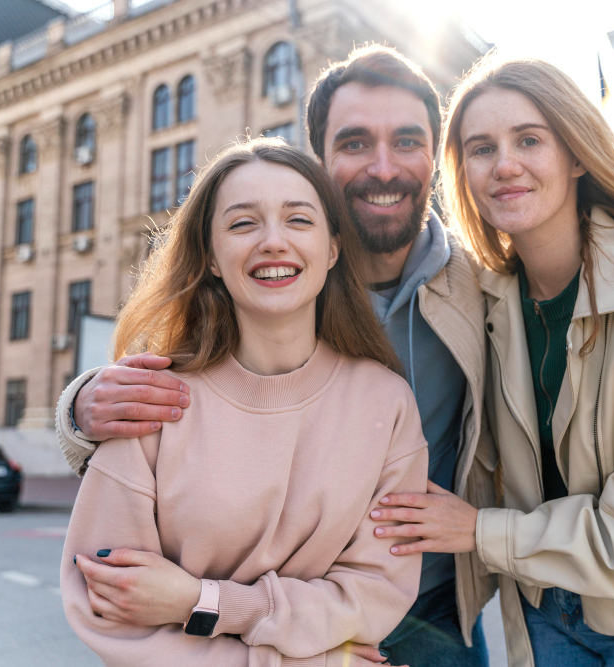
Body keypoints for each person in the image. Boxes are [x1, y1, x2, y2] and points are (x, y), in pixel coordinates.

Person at [54, 46, 614, 667]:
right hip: (240, 617)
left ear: (434, 159)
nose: (382, 166)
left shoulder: (481, 286)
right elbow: (165, 380)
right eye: (354, 143)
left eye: (406, 141)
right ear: (318, 155)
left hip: (428, 610)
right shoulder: (268, 275)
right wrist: (81, 405)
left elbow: (576, 271)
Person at [369, 55, 614, 667]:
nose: (505, 165)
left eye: (529, 139)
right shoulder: (481, 299)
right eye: (481, 148)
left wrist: (477, 530)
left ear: (577, 153)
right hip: (541, 619)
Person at [60, 138, 428, 667]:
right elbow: (108, 610)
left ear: (332, 249)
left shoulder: (386, 405)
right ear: (210, 257)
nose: (273, 242)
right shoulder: (153, 399)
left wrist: (203, 601)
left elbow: (373, 598)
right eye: (242, 224)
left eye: (299, 220)